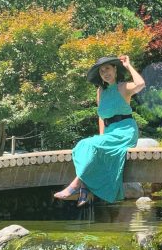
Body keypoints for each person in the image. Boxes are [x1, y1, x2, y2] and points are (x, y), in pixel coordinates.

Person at [54, 54, 145, 207]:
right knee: (83, 145)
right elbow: (101, 116)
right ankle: (84, 188)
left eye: (108, 68)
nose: (105, 73)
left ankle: (76, 184)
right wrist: (102, 137)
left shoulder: (123, 87)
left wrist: (128, 65)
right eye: (102, 71)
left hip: (125, 131)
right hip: (109, 133)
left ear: (115, 69)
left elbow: (141, 83)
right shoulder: (100, 91)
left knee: (89, 145)